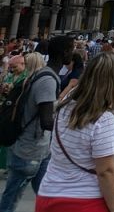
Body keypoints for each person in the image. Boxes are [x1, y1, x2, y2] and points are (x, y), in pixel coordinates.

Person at [35, 51, 114, 212]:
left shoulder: (66, 102)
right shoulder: (103, 119)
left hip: (47, 196)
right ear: (113, 83)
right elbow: (105, 171)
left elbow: (99, 71)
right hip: (83, 201)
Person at [0, 36, 71, 212]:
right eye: (70, 50)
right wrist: (72, 131)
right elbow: (46, 120)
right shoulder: (48, 80)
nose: (72, 53)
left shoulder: (43, 73)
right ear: (63, 53)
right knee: (10, 199)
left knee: (48, 194)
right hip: (29, 150)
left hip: (39, 149)